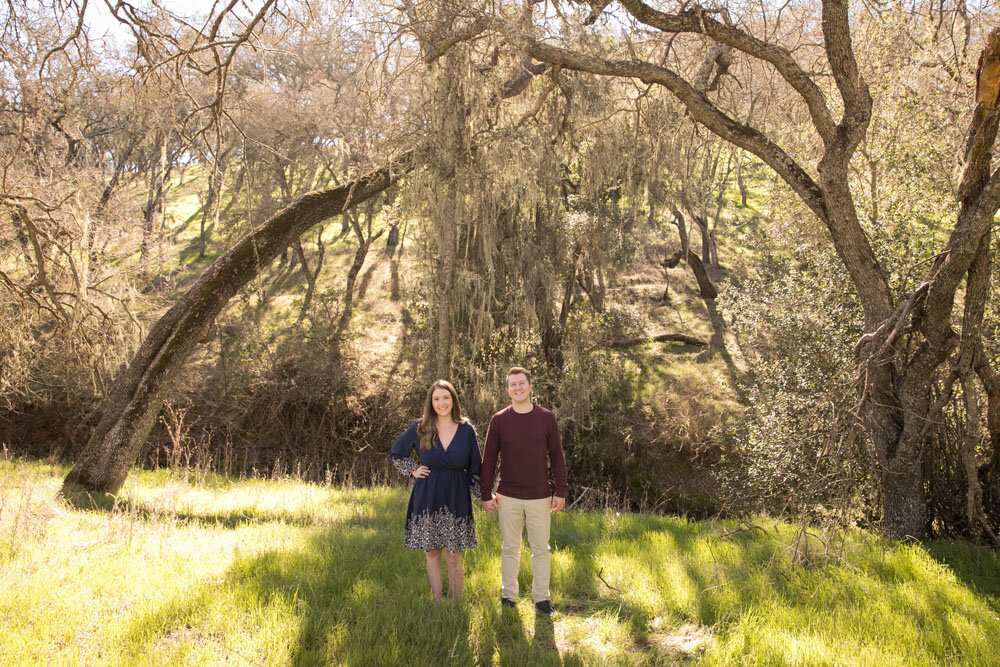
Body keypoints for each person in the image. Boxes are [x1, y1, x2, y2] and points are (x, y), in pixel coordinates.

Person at [481, 366, 567, 615]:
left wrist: (560, 490)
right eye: (513, 384)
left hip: (540, 495)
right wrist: (486, 494)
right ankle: (508, 596)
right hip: (507, 495)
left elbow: (557, 457)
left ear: (530, 387)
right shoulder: (499, 420)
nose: (518, 388)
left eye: (522, 383)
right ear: (508, 390)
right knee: (510, 548)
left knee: (541, 549)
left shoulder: (546, 418)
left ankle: (542, 598)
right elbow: (488, 459)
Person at [390, 380, 481, 602]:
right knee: (431, 551)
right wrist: (412, 469)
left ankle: (455, 603)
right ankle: (438, 602)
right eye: (437, 399)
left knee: (454, 553)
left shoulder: (466, 430)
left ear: (453, 400)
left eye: (446, 397)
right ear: (431, 402)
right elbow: (396, 453)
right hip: (428, 494)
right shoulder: (420, 428)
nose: (442, 403)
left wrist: (485, 497)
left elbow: (476, 467)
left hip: (456, 494)